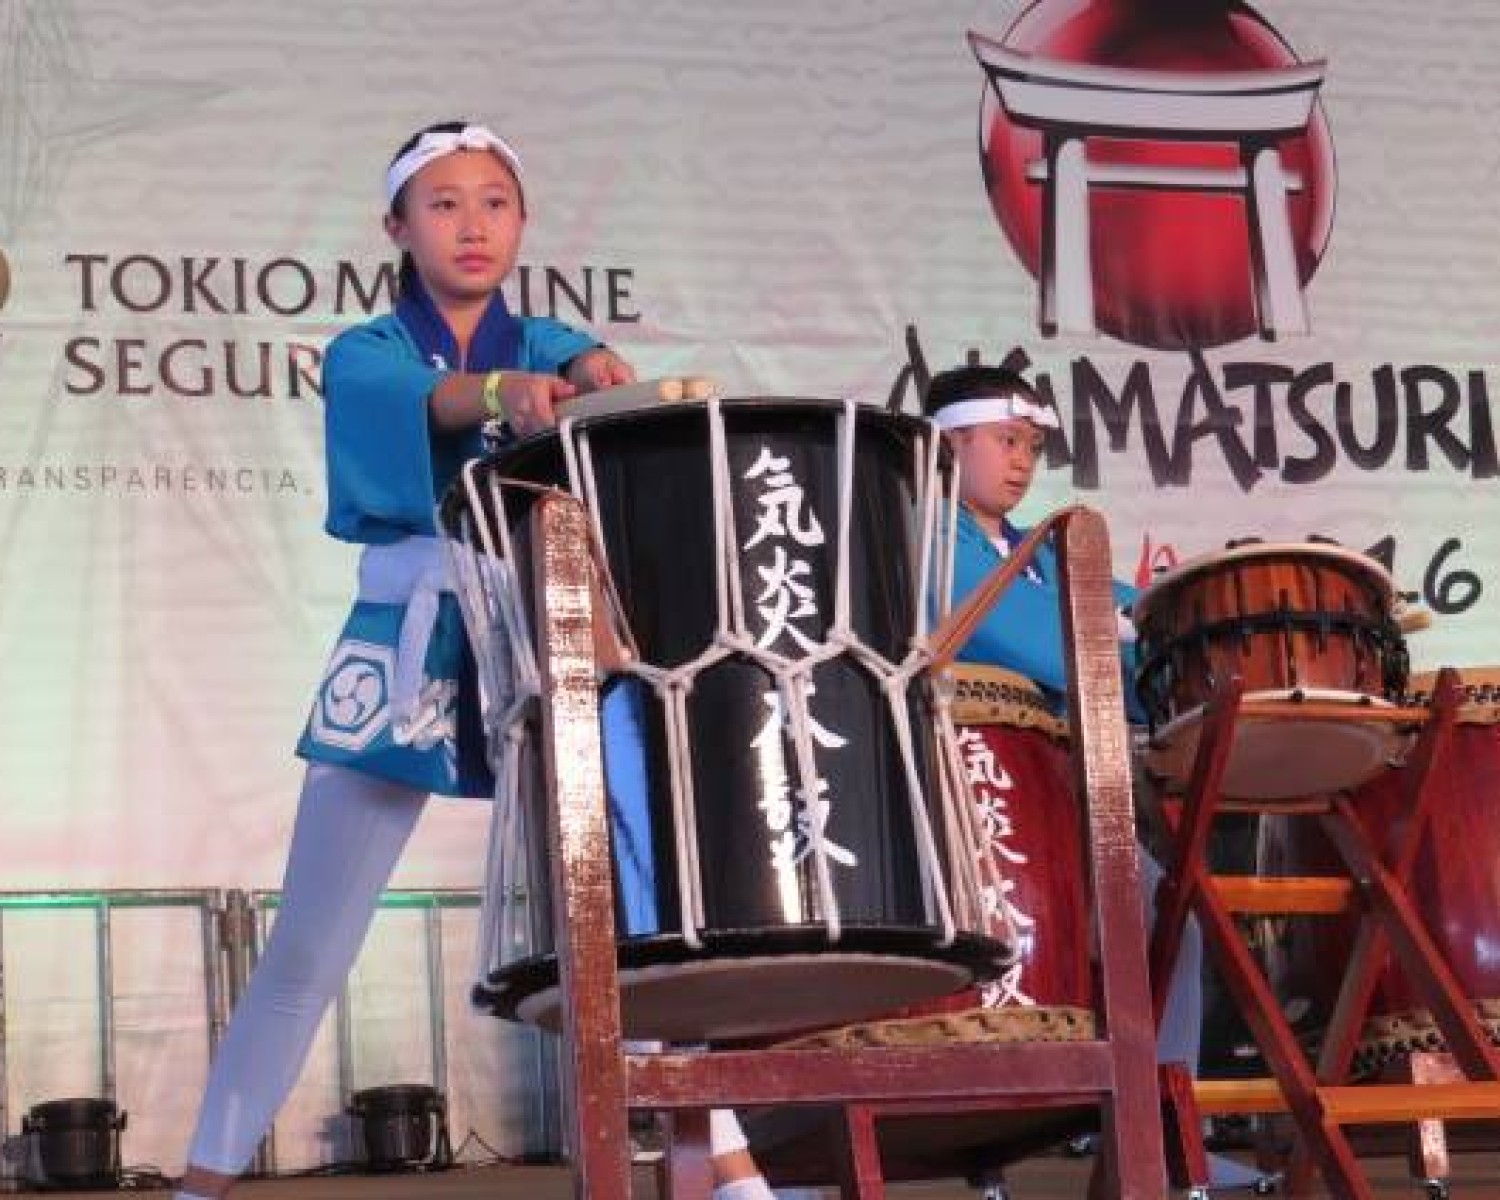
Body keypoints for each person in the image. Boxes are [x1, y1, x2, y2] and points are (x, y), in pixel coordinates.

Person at [172, 119, 767, 1200]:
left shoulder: (553, 342)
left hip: (547, 633)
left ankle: (729, 1170)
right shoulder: (368, 352)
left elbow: (584, 376)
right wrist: (499, 396)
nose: (472, 224)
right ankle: (201, 1182)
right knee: (310, 947)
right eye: (443, 204)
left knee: (624, 915)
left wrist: (590, 370)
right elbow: (435, 403)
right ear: (397, 226)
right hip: (408, 638)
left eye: (493, 201)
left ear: (523, 221)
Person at [925, 361, 1266, 1193]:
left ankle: (1161, 1134)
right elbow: (1043, 646)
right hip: (969, 797)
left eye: (1033, 447)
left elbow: (1153, 625)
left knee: (1164, 924)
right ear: (946, 443)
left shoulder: (1040, 551)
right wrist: (1121, 633)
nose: (1023, 462)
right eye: (1007, 441)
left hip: (1060, 792)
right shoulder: (925, 531)